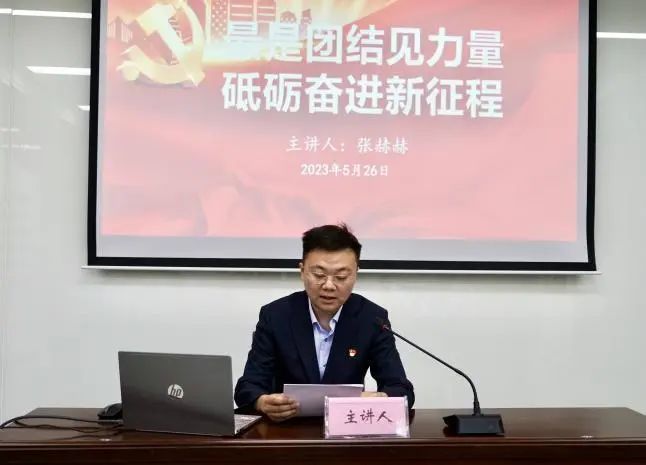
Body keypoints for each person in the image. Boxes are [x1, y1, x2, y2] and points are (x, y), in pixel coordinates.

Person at [234, 223, 414, 421]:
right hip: (287, 429)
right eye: (319, 275)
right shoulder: (276, 316)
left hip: (346, 429)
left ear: (355, 274)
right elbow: (248, 387)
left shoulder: (372, 318)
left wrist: (379, 398)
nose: (329, 286)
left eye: (341, 277)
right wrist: (262, 402)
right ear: (302, 271)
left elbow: (401, 389)